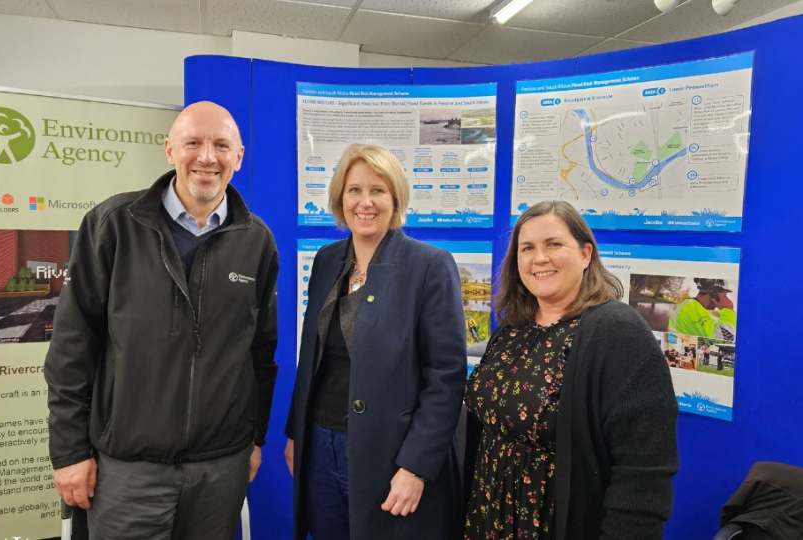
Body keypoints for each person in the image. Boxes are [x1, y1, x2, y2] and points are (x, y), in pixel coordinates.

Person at [44, 101, 279, 540]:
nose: (207, 157)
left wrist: (255, 439)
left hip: (220, 471)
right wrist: (70, 451)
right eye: (194, 143)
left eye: (221, 146)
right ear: (170, 150)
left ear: (239, 157)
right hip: (128, 472)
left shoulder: (257, 241)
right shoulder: (113, 225)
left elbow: (260, 352)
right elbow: (72, 349)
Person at [464, 200, 679, 540]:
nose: (539, 258)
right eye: (527, 248)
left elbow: (643, 476)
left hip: (556, 524)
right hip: (490, 516)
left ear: (585, 254)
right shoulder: (513, 330)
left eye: (554, 244)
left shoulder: (619, 333)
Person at [284, 144, 466, 540]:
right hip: (319, 445)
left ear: (395, 198)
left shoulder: (430, 266)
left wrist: (416, 465)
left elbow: (446, 377)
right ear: (340, 198)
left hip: (391, 455)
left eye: (378, 190)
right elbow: (311, 356)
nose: (365, 202)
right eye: (354, 190)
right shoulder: (327, 260)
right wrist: (296, 433)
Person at [669, 278, 736, 340]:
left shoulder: (694, 306)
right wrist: (728, 309)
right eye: (724, 296)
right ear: (713, 293)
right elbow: (726, 338)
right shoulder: (691, 308)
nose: (726, 299)